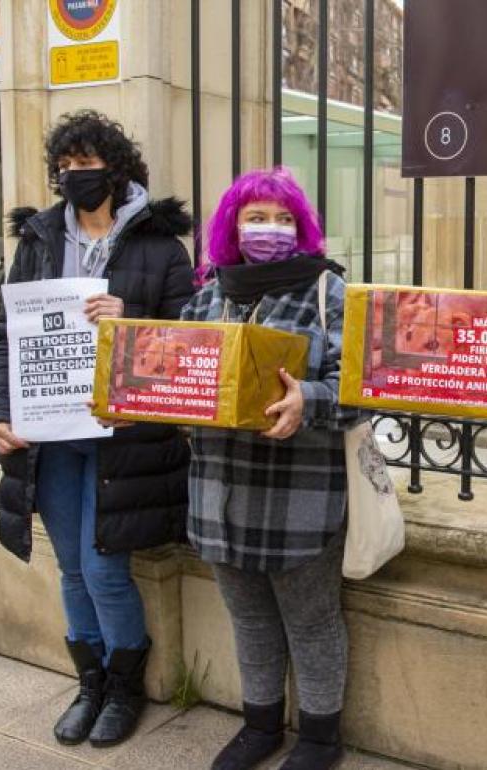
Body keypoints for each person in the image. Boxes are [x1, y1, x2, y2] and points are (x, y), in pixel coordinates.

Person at [0, 110, 194, 747]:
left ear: (117, 167)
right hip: (52, 442)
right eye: (66, 167)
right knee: (71, 570)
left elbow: (189, 349)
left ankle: (126, 686)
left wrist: (129, 322)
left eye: (88, 164)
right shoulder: (39, 241)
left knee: (104, 571)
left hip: (123, 441)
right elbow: (4, 343)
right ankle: (92, 683)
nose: (77, 176)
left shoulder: (161, 247)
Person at [180, 168, 357, 770]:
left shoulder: (329, 295)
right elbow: (178, 380)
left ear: (303, 229)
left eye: (284, 219)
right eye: (256, 217)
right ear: (232, 226)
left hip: (298, 497)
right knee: (249, 619)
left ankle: (319, 738)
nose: (270, 229)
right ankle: (259, 727)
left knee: (312, 623)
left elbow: (365, 388)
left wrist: (313, 399)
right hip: (218, 494)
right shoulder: (207, 296)